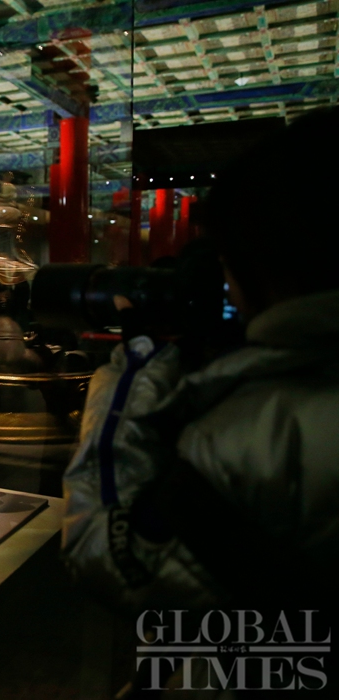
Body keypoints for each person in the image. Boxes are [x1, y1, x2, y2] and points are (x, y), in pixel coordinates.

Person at [61, 109, 339, 616]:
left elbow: (109, 554)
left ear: (267, 262)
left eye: (227, 266)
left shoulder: (265, 429)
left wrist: (130, 373)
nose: (226, 289)